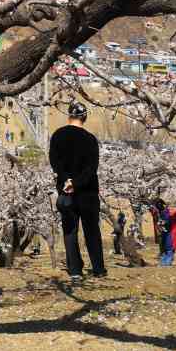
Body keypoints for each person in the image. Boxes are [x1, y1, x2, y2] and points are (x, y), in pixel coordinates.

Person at [48, 101, 106, 282]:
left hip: (66, 193)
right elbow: (92, 168)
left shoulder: (58, 135)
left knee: (70, 230)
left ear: (69, 116)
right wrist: (77, 183)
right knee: (92, 231)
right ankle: (98, 268)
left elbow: (55, 162)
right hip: (87, 191)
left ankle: (74, 270)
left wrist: (67, 181)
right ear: (85, 117)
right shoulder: (90, 139)